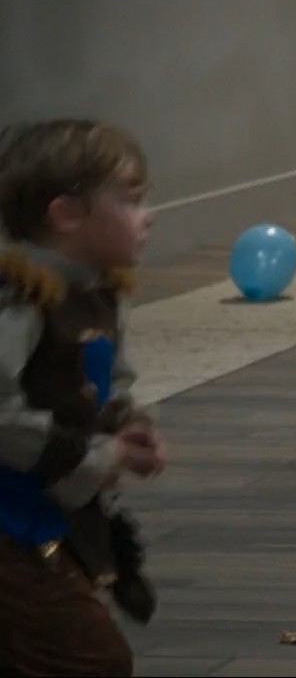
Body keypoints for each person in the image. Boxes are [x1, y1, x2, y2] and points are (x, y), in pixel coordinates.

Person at [0, 118, 166, 677]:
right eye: (132, 200)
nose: (149, 215)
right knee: (90, 659)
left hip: (52, 515)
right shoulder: (20, 300)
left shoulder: (98, 291)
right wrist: (97, 456)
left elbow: (110, 380)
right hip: (12, 522)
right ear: (67, 215)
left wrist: (128, 425)